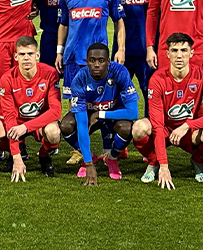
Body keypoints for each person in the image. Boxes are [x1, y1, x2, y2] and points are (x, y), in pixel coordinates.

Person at [55, 0, 126, 165]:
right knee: (74, 105)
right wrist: (59, 51)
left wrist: (120, 49)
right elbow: (63, 25)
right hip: (73, 58)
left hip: (99, 60)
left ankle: (107, 148)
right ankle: (78, 149)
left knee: (105, 103)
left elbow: (119, 22)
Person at [135, 33, 203, 187]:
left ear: (191, 52)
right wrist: (164, 165)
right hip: (165, 130)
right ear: (167, 54)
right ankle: (154, 161)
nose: (179, 55)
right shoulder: (157, 79)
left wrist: (188, 125)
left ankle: (197, 160)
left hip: (191, 132)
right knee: (139, 128)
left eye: (183, 50)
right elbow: (156, 125)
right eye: (174, 50)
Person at [59, 43, 142, 184]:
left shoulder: (119, 72)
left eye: (101, 60)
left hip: (112, 113)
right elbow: (82, 123)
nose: (96, 64)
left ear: (108, 62)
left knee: (127, 128)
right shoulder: (79, 79)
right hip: (88, 115)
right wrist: (89, 163)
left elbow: (133, 113)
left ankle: (112, 158)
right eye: (92, 60)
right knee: (66, 125)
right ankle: (89, 156)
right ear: (86, 61)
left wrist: (101, 114)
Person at [0, 36, 63, 180]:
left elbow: (56, 111)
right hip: (16, 121)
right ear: (16, 56)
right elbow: (9, 116)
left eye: (30, 54)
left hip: (38, 121)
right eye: (22, 54)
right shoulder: (7, 78)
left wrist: (25, 127)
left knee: (53, 132)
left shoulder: (50, 73)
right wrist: (16, 157)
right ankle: (14, 152)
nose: (26, 58)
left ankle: (44, 155)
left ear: (37, 55)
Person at [106, 0, 158, 111]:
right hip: (122, 48)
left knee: (151, 94)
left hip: (149, 48)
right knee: (116, 94)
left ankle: (153, 134)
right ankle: (117, 134)